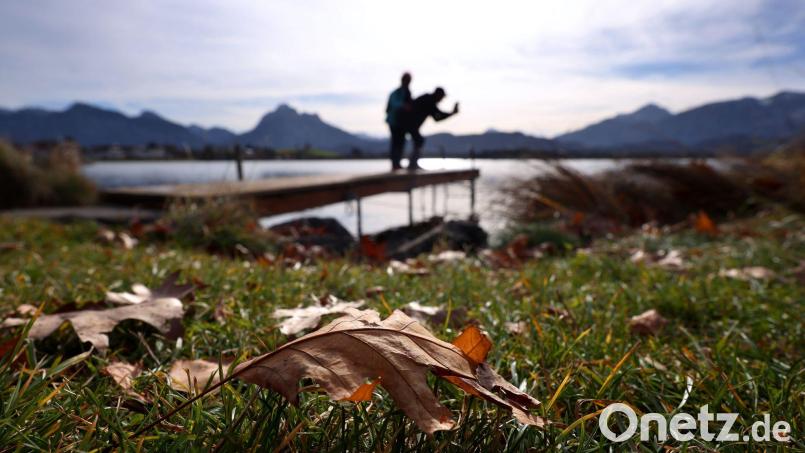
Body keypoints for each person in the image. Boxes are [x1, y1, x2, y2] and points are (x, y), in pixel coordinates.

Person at [398, 87, 459, 170]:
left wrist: (451, 113)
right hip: (406, 122)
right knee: (417, 140)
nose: (441, 99)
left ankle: (411, 164)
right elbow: (437, 117)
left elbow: (437, 117)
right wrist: (452, 113)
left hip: (407, 123)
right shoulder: (429, 101)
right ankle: (411, 165)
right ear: (438, 95)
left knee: (417, 140)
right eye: (442, 97)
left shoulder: (429, 100)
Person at [385, 72, 413, 170]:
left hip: (402, 123)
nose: (408, 82)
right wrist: (404, 106)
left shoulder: (407, 92)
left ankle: (397, 163)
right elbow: (393, 104)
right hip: (394, 121)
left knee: (401, 142)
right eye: (406, 80)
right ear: (402, 80)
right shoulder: (397, 92)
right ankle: (395, 164)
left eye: (409, 80)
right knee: (395, 142)